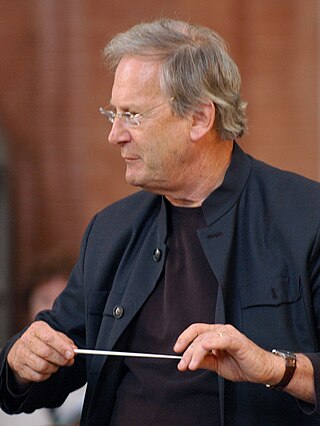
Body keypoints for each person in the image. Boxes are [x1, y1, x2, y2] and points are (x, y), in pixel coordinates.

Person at [0, 18, 319, 425]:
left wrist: (275, 368)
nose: (115, 135)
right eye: (111, 114)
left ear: (200, 119)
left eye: (132, 115)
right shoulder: (110, 231)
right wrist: (20, 361)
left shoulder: (307, 217)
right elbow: (47, 370)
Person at [0, 252, 85, 425]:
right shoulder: (9, 368)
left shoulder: (93, 371)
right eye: (45, 299)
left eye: (61, 301)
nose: (53, 310)